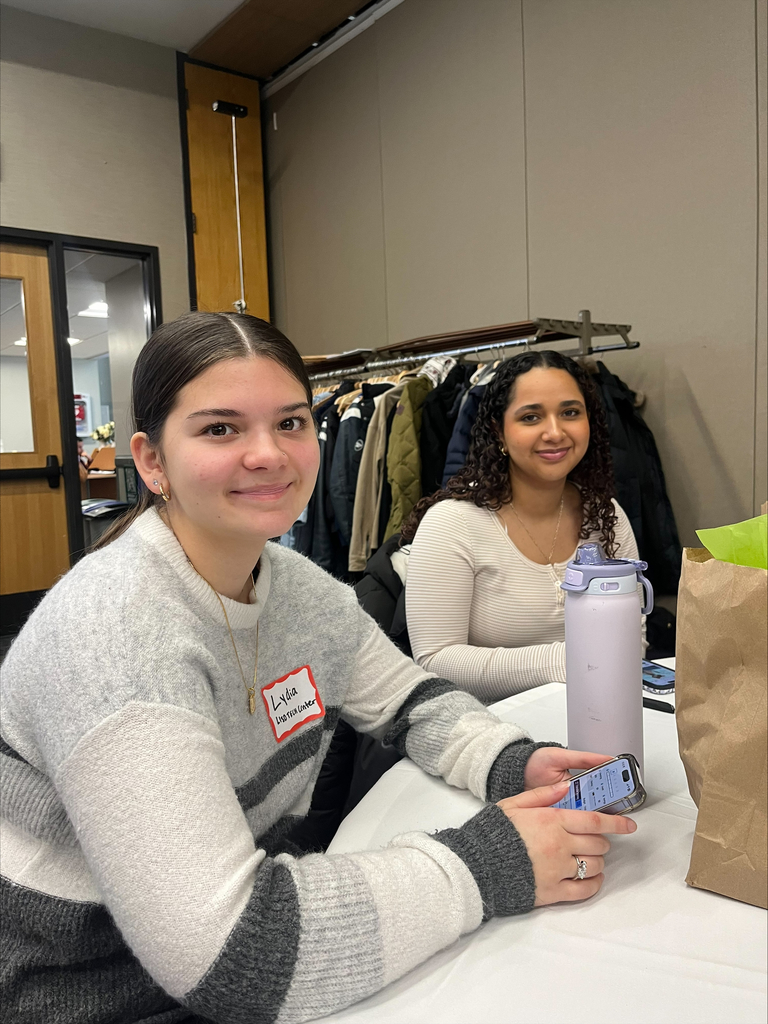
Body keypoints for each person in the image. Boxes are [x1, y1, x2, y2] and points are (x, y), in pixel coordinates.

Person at [0, 314, 636, 1024]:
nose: (268, 455)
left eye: (291, 423)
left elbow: (412, 699)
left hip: (226, 967)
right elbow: (234, 954)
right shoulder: (112, 634)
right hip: (91, 995)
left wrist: (512, 762)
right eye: (220, 429)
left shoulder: (298, 590)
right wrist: (490, 862)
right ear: (152, 462)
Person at [403, 350, 643, 702]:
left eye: (570, 413)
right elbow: (435, 660)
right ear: (498, 432)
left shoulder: (606, 515)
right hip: (489, 727)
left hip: (599, 713)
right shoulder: (453, 523)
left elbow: (634, 640)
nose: (555, 432)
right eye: (531, 417)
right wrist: (567, 660)